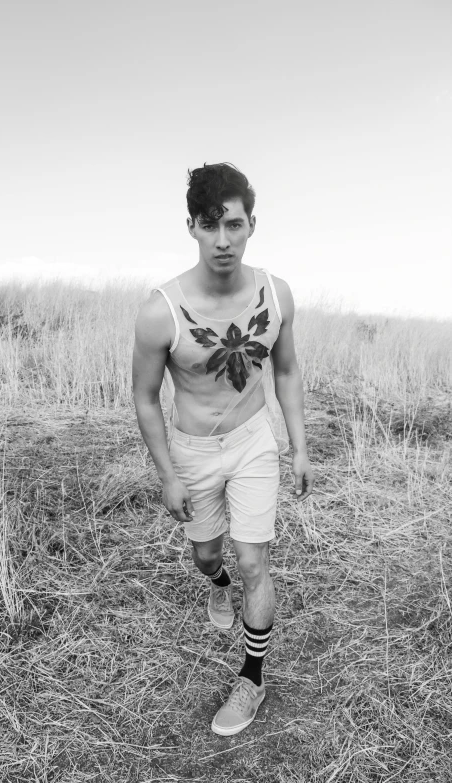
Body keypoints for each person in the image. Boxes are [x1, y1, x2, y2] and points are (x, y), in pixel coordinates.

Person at [132, 162, 314, 736]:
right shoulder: (161, 310)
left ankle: (252, 678)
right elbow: (143, 397)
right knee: (210, 557)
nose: (223, 240)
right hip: (192, 450)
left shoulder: (275, 295)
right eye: (210, 226)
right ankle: (216, 587)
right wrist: (168, 475)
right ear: (191, 227)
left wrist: (298, 447)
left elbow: (285, 373)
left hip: (254, 440)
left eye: (233, 224)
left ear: (251, 224)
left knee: (254, 559)